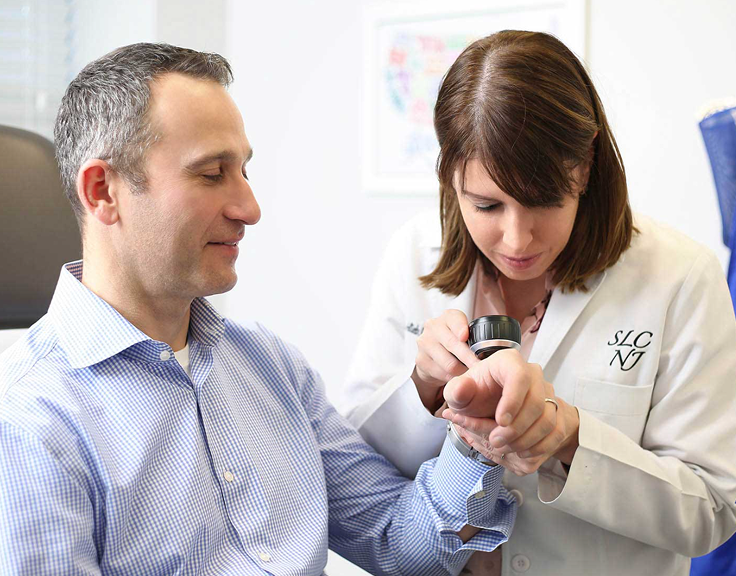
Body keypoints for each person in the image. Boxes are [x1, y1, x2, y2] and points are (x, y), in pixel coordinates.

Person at [0, 43, 555, 575]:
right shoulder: (31, 422)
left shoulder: (271, 366)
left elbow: (401, 545)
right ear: (103, 191)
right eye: (212, 174)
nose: (250, 208)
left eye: (245, 171)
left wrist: (478, 430)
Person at [342, 30, 736, 576]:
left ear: (586, 165)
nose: (517, 239)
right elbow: (359, 466)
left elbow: (712, 510)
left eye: (544, 200)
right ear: (449, 177)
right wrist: (423, 387)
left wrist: (570, 441)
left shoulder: (680, 277)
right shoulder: (412, 253)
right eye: (487, 205)